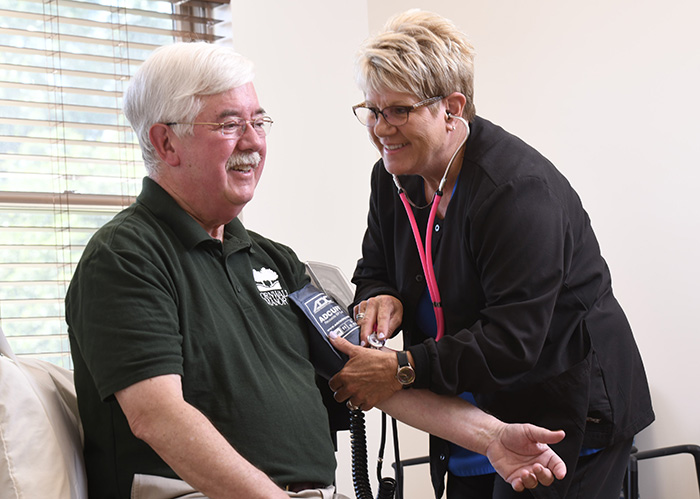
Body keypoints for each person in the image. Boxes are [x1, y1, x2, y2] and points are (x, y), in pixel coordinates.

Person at [65, 41, 568, 499]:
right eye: (229, 124)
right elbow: (158, 415)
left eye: (258, 122)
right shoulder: (126, 256)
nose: (253, 142)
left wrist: (494, 437)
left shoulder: (273, 260)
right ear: (166, 142)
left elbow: (368, 374)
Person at [328, 9, 655, 499]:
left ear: (451, 108)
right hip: (472, 414)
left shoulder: (516, 192)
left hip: (565, 414)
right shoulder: (393, 174)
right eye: (371, 110)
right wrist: (380, 294)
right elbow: (376, 263)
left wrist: (400, 369)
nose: (381, 129)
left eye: (399, 111)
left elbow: (512, 341)